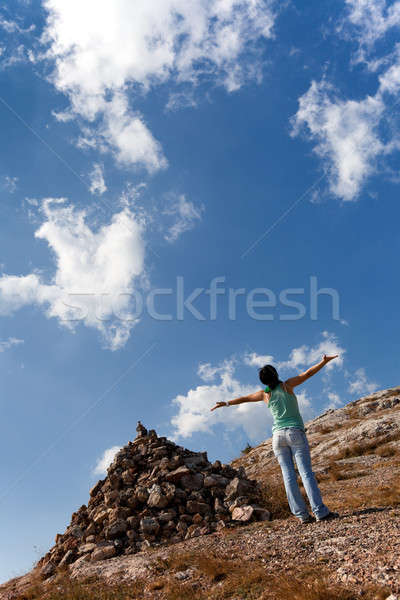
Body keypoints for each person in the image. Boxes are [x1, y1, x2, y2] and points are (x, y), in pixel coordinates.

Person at [210, 354, 339, 524]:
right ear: (276, 375)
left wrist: (226, 403)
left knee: (288, 477)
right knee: (306, 473)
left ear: (263, 381)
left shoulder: (265, 394)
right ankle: (320, 513)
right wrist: (324, 361)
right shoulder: (287, 386)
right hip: (295, 433)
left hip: (277, 437)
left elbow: (245, 398)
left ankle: (301, 515)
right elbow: (308, 374)